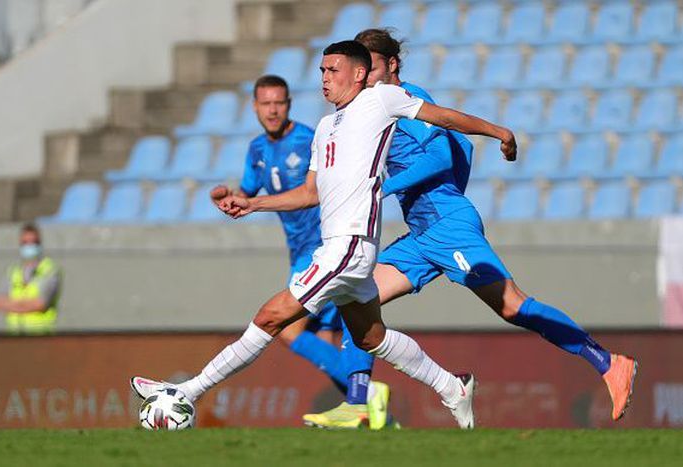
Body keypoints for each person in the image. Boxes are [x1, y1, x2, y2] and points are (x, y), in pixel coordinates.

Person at [131, 40, 516, 430]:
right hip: (340, 249)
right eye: (322, 71)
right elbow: (308, 193)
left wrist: (498, 131)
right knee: (371, 338)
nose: (324, 79)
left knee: (270, 319)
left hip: (349, 247)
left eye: (333, 70)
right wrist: (252, 205)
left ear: (359, 73)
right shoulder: (326, 128)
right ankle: (453, 388)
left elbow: (444, 118)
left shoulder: (381, 100)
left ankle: (187, 392)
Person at [304, 29, 637, 427]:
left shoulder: (407, 97)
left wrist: (381, 186)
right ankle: (359, 403)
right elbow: (456, 150)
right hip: (421, 236)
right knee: (356, 298)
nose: (364, 77)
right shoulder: (371, 109)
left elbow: (442, 156)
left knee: (512, 305)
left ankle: (609, 363)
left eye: (370, 67)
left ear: (391, 65)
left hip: (448, 226)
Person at [209, 74, 391, 430]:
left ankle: (369, 394)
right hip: (298, 252)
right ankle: (371, 418)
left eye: (279, 102)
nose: (273, 110)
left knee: (289, 331)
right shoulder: (257, 150)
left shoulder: (311, 139)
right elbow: (247, 192)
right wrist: (230, 198)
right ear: (255, 107)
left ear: (289, 104)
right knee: (324, 341)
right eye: (266, 103)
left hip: (324, 247)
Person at [0, 222, 62, 335]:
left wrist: (13, 306)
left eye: (33, 242)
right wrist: (26, 305)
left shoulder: (49, 270)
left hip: (40, 336)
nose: (29, 247)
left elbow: (40, 304)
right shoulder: (14, 272)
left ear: (39, 244)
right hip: (15, 337)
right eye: (25, 243)